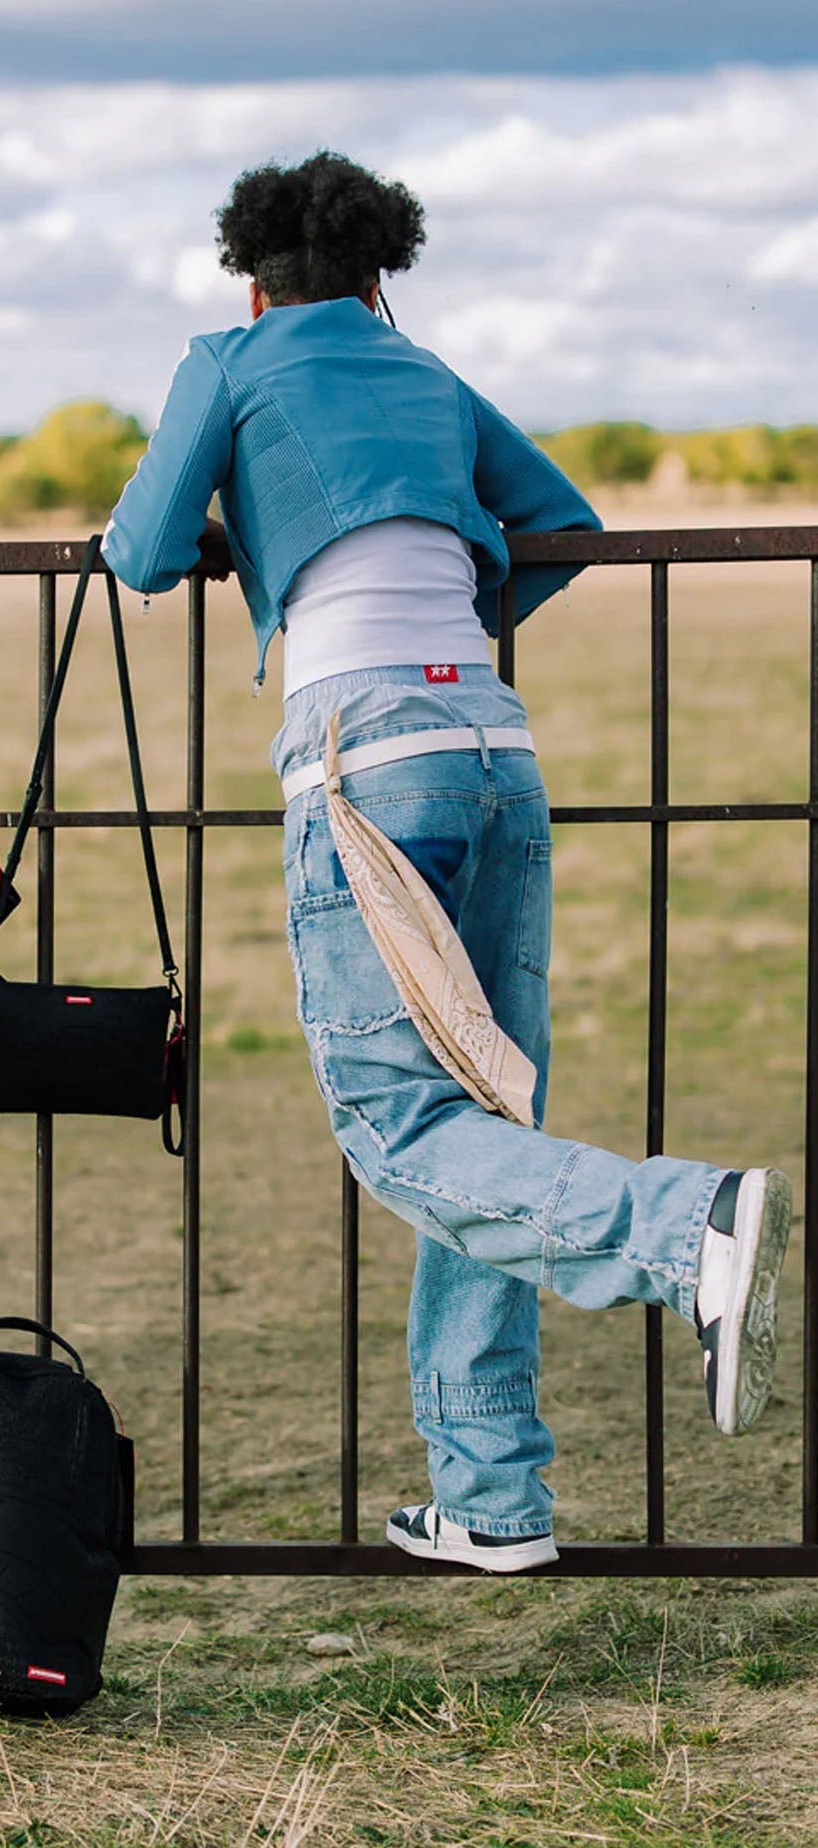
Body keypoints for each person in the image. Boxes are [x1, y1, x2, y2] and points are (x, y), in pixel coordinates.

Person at [102, 150, 791, 1573]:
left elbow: (142, 549)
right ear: (376, 278)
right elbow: (568, 531)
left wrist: (252, 538)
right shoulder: (427, 377)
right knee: (488, 1117)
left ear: (252, 276)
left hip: (368, 760)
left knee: (400, 1130)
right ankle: (491, 1496)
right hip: (492, 737)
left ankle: (690, 1229)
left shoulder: (226, 361)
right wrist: (466, 597)